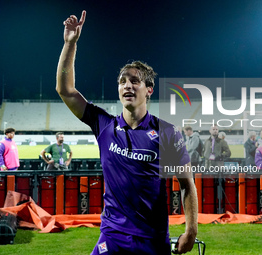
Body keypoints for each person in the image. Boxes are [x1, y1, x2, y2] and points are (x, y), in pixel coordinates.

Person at [56, 11, 198, 254]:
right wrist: (70, 43)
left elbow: (187, 184)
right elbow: (65, 90)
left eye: (134, 81)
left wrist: (191, 230)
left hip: (152, 239)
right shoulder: (104, 124)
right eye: (122, 81)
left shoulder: (167, 132)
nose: (127, 85)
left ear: (149, 89)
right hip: (112, 235)